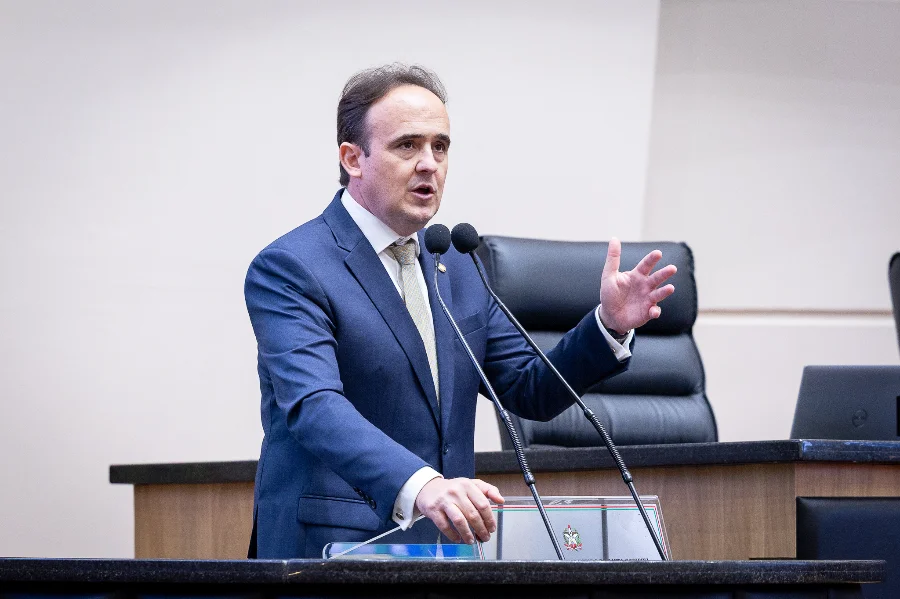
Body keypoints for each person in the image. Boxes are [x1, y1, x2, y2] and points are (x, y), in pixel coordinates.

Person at [244, 64, 677, 559]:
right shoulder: (293, 266)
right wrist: (421, 484)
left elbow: (526, 388)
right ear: (352, 158)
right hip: (331, 550)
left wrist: (608, 326)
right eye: (407, 146)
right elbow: (314, 406)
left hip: (444, 551)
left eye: (441, 146)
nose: (429, 163)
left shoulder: (455, 261)